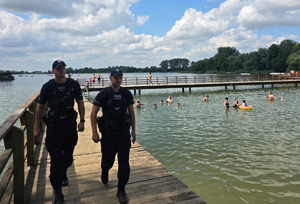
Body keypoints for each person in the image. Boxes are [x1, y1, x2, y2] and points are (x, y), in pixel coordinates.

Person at [34, 60, 85, 204]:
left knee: (68, 158)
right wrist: (36, 128)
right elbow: (39, 107)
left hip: (70, 126)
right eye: (59, 68)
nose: (62, 70)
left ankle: (63, 173)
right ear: (53, 71)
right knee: (55, 160)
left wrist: (82, 121)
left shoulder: (73, 85)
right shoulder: (47, 87)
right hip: (54, 126)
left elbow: (80, 102)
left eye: (63, 68)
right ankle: (58, 192)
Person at [90, 69, 136, 204]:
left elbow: (132, 112)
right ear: (110, 78)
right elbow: (93, 113)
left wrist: (133, 131)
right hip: (108, 133)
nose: (118, 80)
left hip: (123, 133)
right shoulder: (104, 94)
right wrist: (94, 132)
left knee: (124, 161)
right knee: (108, 161)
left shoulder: (126, 94)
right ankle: (105, 170)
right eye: (116, 77)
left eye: (120, 77)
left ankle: (121, 189)